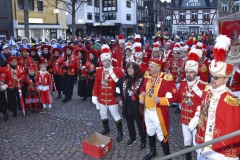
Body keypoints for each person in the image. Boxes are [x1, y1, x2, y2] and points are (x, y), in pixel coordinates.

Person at [189, 35, 240, 160]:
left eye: (216, 77)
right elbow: (201, 107)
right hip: (202, 142)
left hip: (218, 150)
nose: (212, 80)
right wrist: (196, 117)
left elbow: (233, 128)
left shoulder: (231, 100)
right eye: (212, 76)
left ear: (226, 79)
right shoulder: (207, 91)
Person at [139, 58, 178, 160]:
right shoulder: (148, 75)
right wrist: (142, 96)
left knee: (162, 134)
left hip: (158, 111)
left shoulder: (167, 78)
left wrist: (161, 100)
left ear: (158, 67)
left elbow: (176, 96)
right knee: (150, 131)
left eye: (151, 67)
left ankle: (168, 156)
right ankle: (153, 151)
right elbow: (143, 87)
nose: (149, 68)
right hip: (147, 110)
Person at [177, 49, 207, 160]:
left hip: (197, 120)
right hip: (184, 119)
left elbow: (205, 103)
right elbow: (178, 98)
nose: (188, 74)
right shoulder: (183, 83)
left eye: (191, 72)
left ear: (195, 73)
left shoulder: (203, 86)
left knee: (198, 144)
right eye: (187, 71)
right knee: (187, 141)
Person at [92, 44, 124, 142]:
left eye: (108, 61)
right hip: (102, 98)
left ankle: (120, 132)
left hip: (112, 99)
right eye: (104, 61)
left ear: (110, 61)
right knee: (103, 114)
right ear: (102, 61)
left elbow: (123, 85)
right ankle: (106, 128)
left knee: (116, 115)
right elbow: (96, 85)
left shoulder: (117, 71)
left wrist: (120, 98)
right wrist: (94, 96)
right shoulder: (99, 71)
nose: (106, 63)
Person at [115, 62, 146, 150]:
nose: (129, 69)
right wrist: (119, 99)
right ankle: (133, 138)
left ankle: (143, 140)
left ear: (135, 69)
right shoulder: (123, 79)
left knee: (140, 125)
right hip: (127, 105)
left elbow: (146, 89)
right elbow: (117, 88)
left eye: (131, 68)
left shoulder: (141, 78)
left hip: (138, 106)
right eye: (128, 68)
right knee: (129, 124)